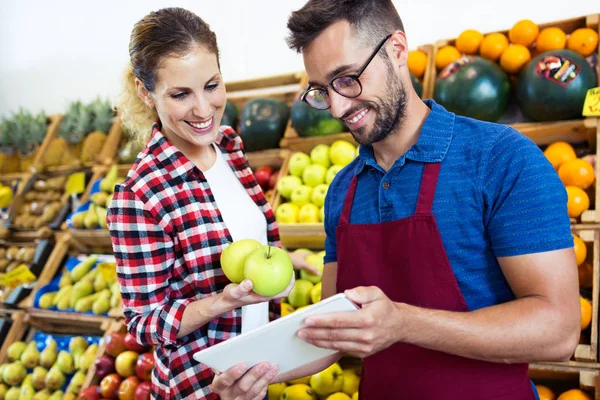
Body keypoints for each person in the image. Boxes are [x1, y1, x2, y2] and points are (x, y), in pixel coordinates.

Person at [210, 1, 581, 399]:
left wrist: (404, 323)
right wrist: (254, 372)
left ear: (398, 50)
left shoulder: (502, 159)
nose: (337, 107)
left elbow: (558, 330)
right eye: (320, 90)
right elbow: (331, 332)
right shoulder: (343, 190)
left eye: (347, 79)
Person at [106, 7, 319, 400]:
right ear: (145, 92)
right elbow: (144, 324)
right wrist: (224, 300)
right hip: (202, 388)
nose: (204, 110)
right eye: (180, 94)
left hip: (256, 373)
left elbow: (248, 236)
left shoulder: (229, 146)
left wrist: (291, 260)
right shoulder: (140, 196)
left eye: (211, 85)